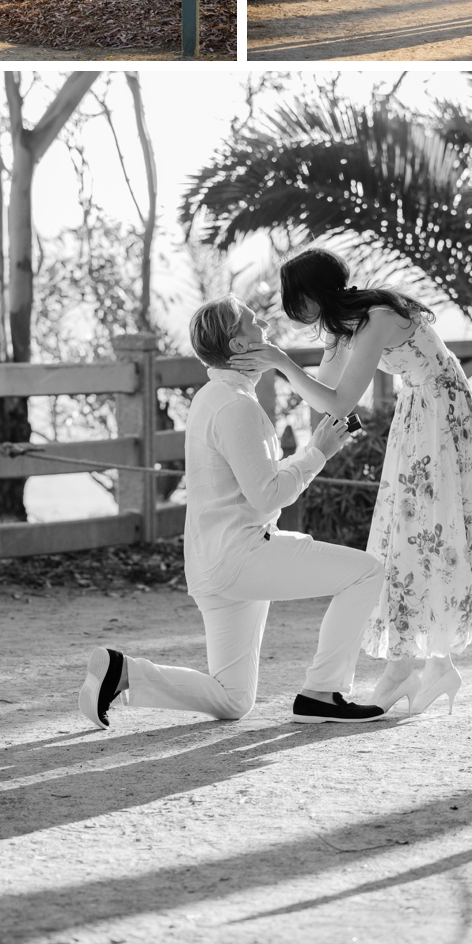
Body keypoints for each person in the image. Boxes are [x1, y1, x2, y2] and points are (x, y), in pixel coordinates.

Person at [78, 296, 387, 729]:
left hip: (216, 564)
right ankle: (323, 692)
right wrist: (317, 455)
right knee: (368, 572)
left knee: (233, 699)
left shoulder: (214, 396)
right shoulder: (236, 406)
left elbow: (253, 483)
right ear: (240, 347)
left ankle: (122, 672)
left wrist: (312, 451)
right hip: (242, 556)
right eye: (252, 322)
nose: (263, 324)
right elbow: (266, 497)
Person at [232, 249, 472, 719]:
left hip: (441, 416)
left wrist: (280, 361)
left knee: (423, 532)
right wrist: (294, 361)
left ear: (314, 295)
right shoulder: (349, 328)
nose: (290, 306)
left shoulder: (376, 317)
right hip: (421, 413)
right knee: (414, 531)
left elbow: (338, 401)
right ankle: (432, 665)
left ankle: (412, 669)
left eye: (295, 296)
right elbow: (326, 396)